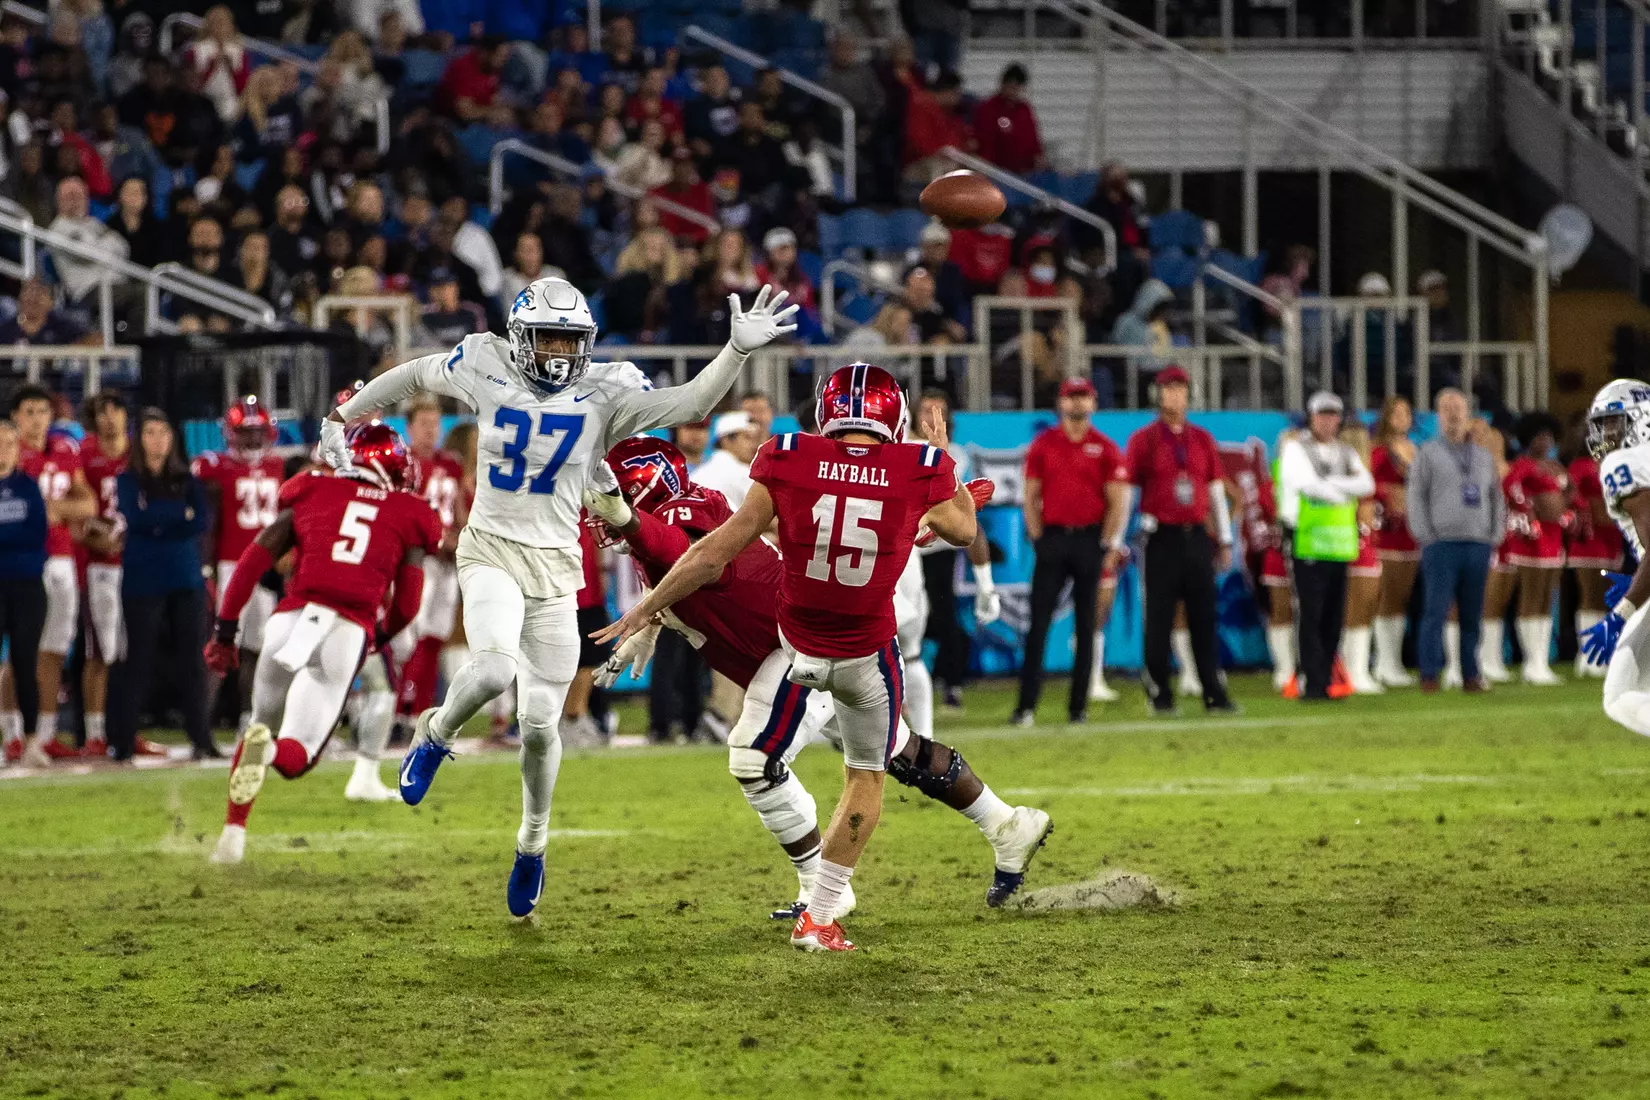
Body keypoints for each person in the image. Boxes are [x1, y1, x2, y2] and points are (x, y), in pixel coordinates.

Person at [324, 278, 797, 918]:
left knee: (543, 727)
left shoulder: (604, 392)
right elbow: (412, 374)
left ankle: (532, 844)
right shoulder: (484, 360)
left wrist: (735, 351)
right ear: (521, 337)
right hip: (491, 548)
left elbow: (689, 400)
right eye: (549, 338)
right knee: (494, 669)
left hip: (556, 569)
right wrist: (345, 415)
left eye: (571, 340)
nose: (560, 352)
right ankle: (436, 732)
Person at [594, 363, 1001, 951]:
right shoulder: (916, 465)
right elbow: (963, 530)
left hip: (798, 645)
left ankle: (822, 899)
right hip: (861, 641)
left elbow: (696, 551)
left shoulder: (785, 456)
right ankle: (1003, 826)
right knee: (884, 762)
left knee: (772, 759)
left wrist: (637, 567)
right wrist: (940, 468)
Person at [204, 422, 439, 864]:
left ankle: (232, 836)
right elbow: (408, 605)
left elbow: (252, 563)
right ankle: (270, 751)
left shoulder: (311, 488)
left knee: (259, 721)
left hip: (288, 621)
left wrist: (225, 633)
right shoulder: (410, 513)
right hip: (344, 631)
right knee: (299, 754)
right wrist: (378, 638)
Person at [1012, 378, 1129, 726]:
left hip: (1088, 540)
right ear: (1061, 403)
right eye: (1071, 397)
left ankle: (1078, 707)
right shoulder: (1044, 444)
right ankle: (1026, 706)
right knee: (1038, 624)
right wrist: (1038, 538)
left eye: (1083, 397)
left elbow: (1117, 501)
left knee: (1086, 624)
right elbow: (1030, 496)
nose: (1077, 403)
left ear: (1093, 403)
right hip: (1054, 537)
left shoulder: (1104, 447)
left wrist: (1106, 543)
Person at [1126, 367, 1236, 715]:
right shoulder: (1145, 439)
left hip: (1196, 534)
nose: (1175, 395)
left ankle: (1213, 692)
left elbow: (1215, 490)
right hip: (1161, 536)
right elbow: (1129, 490)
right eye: (1168, 389)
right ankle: (1159, 692)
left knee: (1205, 616)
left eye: (1180, 389)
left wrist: (1225, 538)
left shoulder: (1201, 439)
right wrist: (1121, 538)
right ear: (1158, 395)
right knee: (1158, 617)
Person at [108, 410, 216, 761]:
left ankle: (202, 738)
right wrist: (176, 515)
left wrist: (159, 518)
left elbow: (200, 520)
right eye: (150, 432)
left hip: (185, 577)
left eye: (163, 432)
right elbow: (136, 518)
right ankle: (123, 742)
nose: (158, 440)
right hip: (143, 578)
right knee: (139, 659)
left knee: (192, 660)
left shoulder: (187, 480)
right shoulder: (128, 480)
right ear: (140, 440)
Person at [5, 385, 94, 765]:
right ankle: (12, 732)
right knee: (19, 652)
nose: (37, 419)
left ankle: (44, 731)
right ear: (15, 417)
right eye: (29, 411)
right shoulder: (11, 453)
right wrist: (52, 510)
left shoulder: (64, 449)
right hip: (24, 565)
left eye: (43, 411)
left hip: (62, 558)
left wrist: (55, 508)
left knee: (54, 648)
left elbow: (88, 503)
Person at [192, 396, 285, 733]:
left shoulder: (280, 466)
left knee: (257, 647)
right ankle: (201, 725)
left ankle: (251, 718)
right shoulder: (216, 467)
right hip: (231, 564)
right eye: (246, 432)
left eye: (257, 431)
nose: (253, 439)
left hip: (267, 567)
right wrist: (208, 568)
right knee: (221, 645)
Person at [1274, 392, 1374, 701]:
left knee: (1333, 616)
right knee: (1310, 613)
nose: (1328, 421)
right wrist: (1342, 487)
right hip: (1306, 541)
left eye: (1333, 415)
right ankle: (1312, 680)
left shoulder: (1345, 451)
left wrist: (1329, 485)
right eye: (1322, 415)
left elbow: (1366, 485)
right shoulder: (1296, 448)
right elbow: (1307, 485)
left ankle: (1327, 676)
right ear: (1311, 417)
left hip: (1338, 544)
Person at [1407, 388, 1504, 693]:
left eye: (1458, 409)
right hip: (1442, 543)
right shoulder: (1427, 453)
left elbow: (1495, 496)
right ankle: (1429, 673)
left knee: (1472, 613)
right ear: (1438, 416)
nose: (1452, 414)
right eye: (1446, 409)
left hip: (1478, 542)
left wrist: (1494, 534)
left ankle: (1471, 673)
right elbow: (1416, 495)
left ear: (1467, 414)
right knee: (1435, 611)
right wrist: (1426, 535)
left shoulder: (1482, 456)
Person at [911, 391, 999, 710]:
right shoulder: (898, 447)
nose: (933, 417)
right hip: (901, 551)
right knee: (905, 620)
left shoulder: (955, 454)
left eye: (940, 411)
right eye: (927, 410)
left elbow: (963, 512)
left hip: (937, 549)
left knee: (943, 616)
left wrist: (986, 584)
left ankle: (951, 683)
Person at [1577, 380, 1650, 736]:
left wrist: (1623, 611)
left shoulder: (1625, 463)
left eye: (1613, 423)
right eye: (1603, 424)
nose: (1605, 433)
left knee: (1620, 696)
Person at [390, 399, 466, 727]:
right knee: (413, 635)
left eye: (435, 423)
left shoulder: (450, 464)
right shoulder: (403, 464)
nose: (431, 430)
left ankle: (421, 709)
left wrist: (460, 538)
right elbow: (399, 514)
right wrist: (438, 538)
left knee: (436, 634)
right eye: (423, 423)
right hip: (417, 559)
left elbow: (460, 511)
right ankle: (401, 710)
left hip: (446, 560)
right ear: (408, 427)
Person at [1493, 413, 1568, 686]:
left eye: (1548, 436)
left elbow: (1569, 493)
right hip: (1531, 539)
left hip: (1554, 536)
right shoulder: (1523, 465)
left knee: (1548, 598)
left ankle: (1541, 660)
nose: (1545, 441)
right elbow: (1511, 488)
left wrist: (1568, 511)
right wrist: (1529, 514)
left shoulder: (1555, 465)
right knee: (1531, 597)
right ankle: (1531, 663)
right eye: (1539, 436)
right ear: (1527, 439)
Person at [78, 393, 129, 760]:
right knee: (99, 650)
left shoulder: (138, 452)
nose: (109, 419)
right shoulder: (84, 454)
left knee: (130, 651)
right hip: (99, 563)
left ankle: (126, 729)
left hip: (135, 562)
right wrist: (97, 534)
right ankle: (95, 733)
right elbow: (80, 510)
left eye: (115, 411)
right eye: (102, 413)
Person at [0, 421, 47, 769]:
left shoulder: (28, 487)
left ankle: (31, 741)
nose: (3, 450)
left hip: (27, 586)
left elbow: (37, 535)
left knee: (26, 663)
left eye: (9, 443)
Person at [1568, 420, 1625, 678]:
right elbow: (1584, 503)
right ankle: (1587, 655)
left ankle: (1600, 653)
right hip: (1589, 540)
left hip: (1612, 540)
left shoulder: (1614, 463)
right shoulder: (1582, 467)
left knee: (1604, 599)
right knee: (1590, 596)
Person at [1370, 397, 1419, 686]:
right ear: (1386, 417)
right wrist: (1388, 493)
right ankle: (1383, 662)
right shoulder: (1378, 450)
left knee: (1401, 598)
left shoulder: (1415, 450)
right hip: (1387, 530)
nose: (1402, 418)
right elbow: (1366, 482)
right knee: (1385, 596)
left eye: (1406, 413)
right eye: (1396, 413)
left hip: (1411, 531)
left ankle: (1394, 661)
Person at [1338, 422, 1385, 695]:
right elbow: (1366, 519)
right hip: (1359, 551)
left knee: (1357, 614)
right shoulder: (1359, 480)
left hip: (1357, 550)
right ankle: (1355, 672)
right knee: (1359, 614)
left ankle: (1355, 671)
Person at [694, 410, 761, 512]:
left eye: (755, 439)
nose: (754, 445)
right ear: (726, 441)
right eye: (747, 437)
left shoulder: (698, 473)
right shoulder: (743, 473)